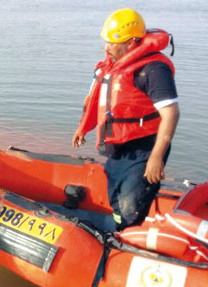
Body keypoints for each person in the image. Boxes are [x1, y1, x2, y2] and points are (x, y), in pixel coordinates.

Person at [72, 8, 179, 231]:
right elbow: (99, 102)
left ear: (130, 44)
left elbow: (171, 113)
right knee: (116, 196)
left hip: (144, 147)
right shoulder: (113, 66)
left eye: (112, 43)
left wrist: (156, 158)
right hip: (118, 147)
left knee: (131, 205)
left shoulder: (153, 70)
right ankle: (120, 229)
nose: (106, 47)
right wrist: (83, 128)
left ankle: (126, 239)